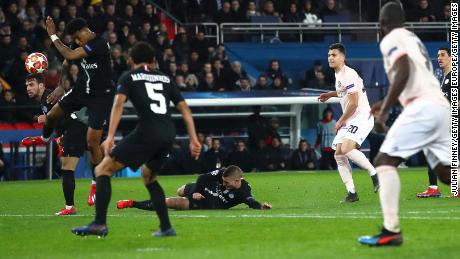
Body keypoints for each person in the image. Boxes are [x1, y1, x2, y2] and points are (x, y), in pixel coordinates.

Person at [71, 42, 201, 238]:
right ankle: (166, 228)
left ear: (131, 60)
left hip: (147, 132)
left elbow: (118, 105)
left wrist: (111, 137)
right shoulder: (165, 78)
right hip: (168, 134)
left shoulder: (129, 76)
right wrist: (193, 139)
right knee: (149, 177)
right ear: (152, 60)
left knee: (102, 169)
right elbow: (184, 108)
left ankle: (99, 224)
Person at [358, 2, 451, 247]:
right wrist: (384, 101)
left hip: (423, 108)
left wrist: (386, 110)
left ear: (382, 23)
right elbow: (414, 76)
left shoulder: (391, 38)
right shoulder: (413, 38)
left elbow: (404, 70)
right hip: (440, 107)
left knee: (384, 161)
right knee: (444, 173)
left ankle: (391, 230)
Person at [21, 17, 115, 206]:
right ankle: (45, 138)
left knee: (93, 141)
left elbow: (71, 55)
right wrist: (61, 86)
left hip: (101, 96)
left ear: (85, 31)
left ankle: (96, 183)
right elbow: (66, 62)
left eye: (78, 39)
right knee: (53, 113)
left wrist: (53, 35)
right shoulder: (82, 41)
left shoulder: (99, 43)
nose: (77, 43)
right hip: (82, 89)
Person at [318, 43, 379, 202]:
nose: (330, 58)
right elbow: (343, 92)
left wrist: (340, 120)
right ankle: (352, 193)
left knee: (346, 149)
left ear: (342, 57)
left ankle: (375, 174)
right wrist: (330, 94)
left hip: (362, 116)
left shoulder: (348, 74)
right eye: (329, 55)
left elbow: (353, 102)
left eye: (334, 55)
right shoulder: (339, 74)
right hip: (352, 117)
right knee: (338, 154)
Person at [23, 73, 87, 215]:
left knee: (67, 168)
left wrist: (45, 135)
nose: (28, 88)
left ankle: (70, 208)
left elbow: (58, 114)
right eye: (27, 85)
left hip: (74, 129)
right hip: (75, 129)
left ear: (41, 85)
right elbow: (53, 120)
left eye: (31, 84)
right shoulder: (45, 100)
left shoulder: (49, 97)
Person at [117, 166, 272, 211]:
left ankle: (131, 203)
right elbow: (203, 178)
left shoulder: (244, 190)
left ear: (238, 181)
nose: (224, 184)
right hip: (202, 190)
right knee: (180, 190)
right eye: (223, 181)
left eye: (227, 183)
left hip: (206, 203)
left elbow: (250, 201)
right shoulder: (223, 172)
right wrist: (197, 190)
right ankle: (189, 192)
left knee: (171, 202)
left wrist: (260, 206)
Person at [416, 47, 452, 198]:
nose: (439, 57)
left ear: (451, 58)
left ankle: (434, 188)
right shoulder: (444, 77)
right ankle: (435, 187)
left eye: (443, 55)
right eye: (438, 55)